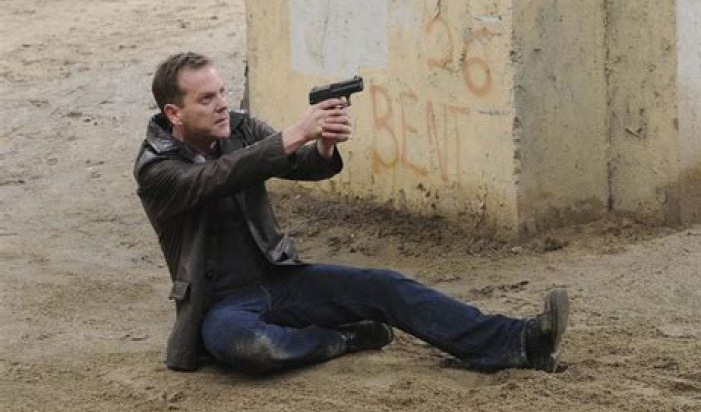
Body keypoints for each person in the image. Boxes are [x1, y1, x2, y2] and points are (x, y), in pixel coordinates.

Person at [134, 52, 570, 374]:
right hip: (222, 306)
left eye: (222, 92)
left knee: (386, 285)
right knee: (248, 346)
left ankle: (517, 341)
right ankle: (342, 339)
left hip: (280, 279)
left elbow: (300, 164)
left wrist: (324, 143)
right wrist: (296, 132)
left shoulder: (239, 127)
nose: (222, 104)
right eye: (206, 99)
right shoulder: (156, 168)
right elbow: (217, 177)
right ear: (174, 113)